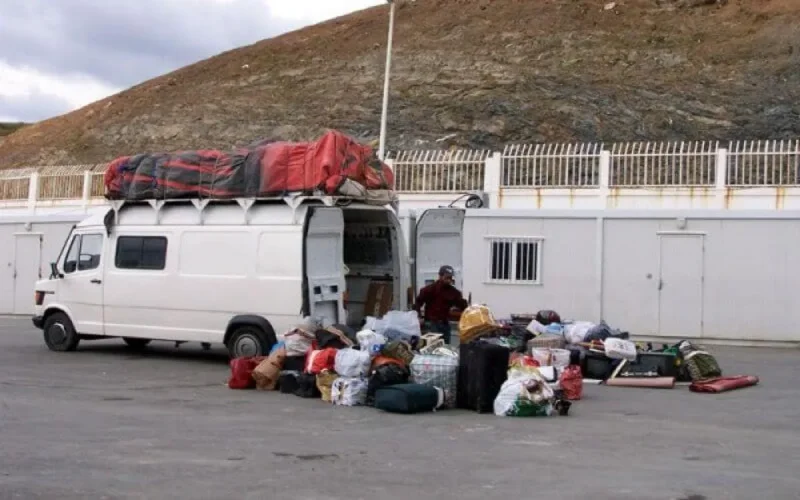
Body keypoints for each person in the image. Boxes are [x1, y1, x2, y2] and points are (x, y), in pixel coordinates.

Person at [413, 265, 468, 344]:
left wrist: (469, 309)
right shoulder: (429, 289)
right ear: (440, 276)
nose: (449, 280)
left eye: (450, 278)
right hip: (432, 324)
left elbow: (462, 305)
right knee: (433, 346)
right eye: (446, 278)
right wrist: (418, 317)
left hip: (445, 324)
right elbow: (418, 302)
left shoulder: (454, 292)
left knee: (445, 348)